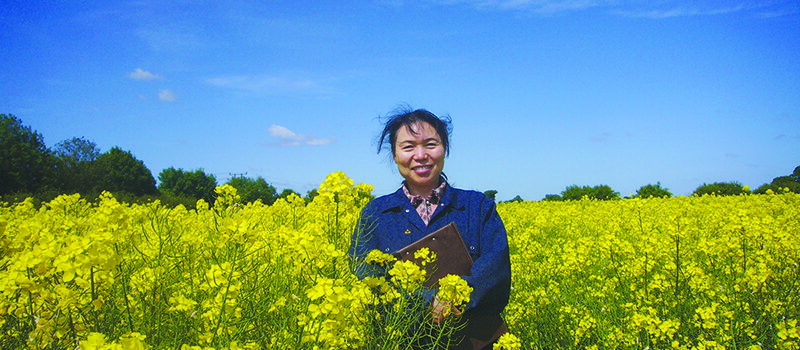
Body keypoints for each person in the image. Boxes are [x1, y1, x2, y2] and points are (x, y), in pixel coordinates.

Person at [349, 108, 511, 350]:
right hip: (403, 342)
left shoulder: (478, 207)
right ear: (394, 155)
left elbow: (495, 270)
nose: (421, 155)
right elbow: (365, 275)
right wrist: (428, 302)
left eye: (430, 144)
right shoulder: (375, 213)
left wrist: (452, 297)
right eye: (408, 147)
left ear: (444, 148)